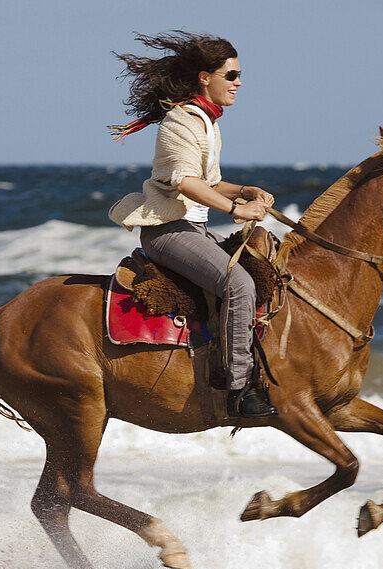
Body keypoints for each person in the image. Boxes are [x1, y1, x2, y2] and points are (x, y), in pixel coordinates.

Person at [108, 32, 277, 418]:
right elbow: (185, 182)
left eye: (239, 74)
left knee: (264, 268)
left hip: (194, 229)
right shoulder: (180, 121)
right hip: (169, 231)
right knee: (239, 283)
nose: (238, 82)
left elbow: (211, 183)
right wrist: (236, 210)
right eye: (230, 74)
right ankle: (237, 389)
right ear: (205, 77)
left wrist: (244, 190)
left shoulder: (207, 121)